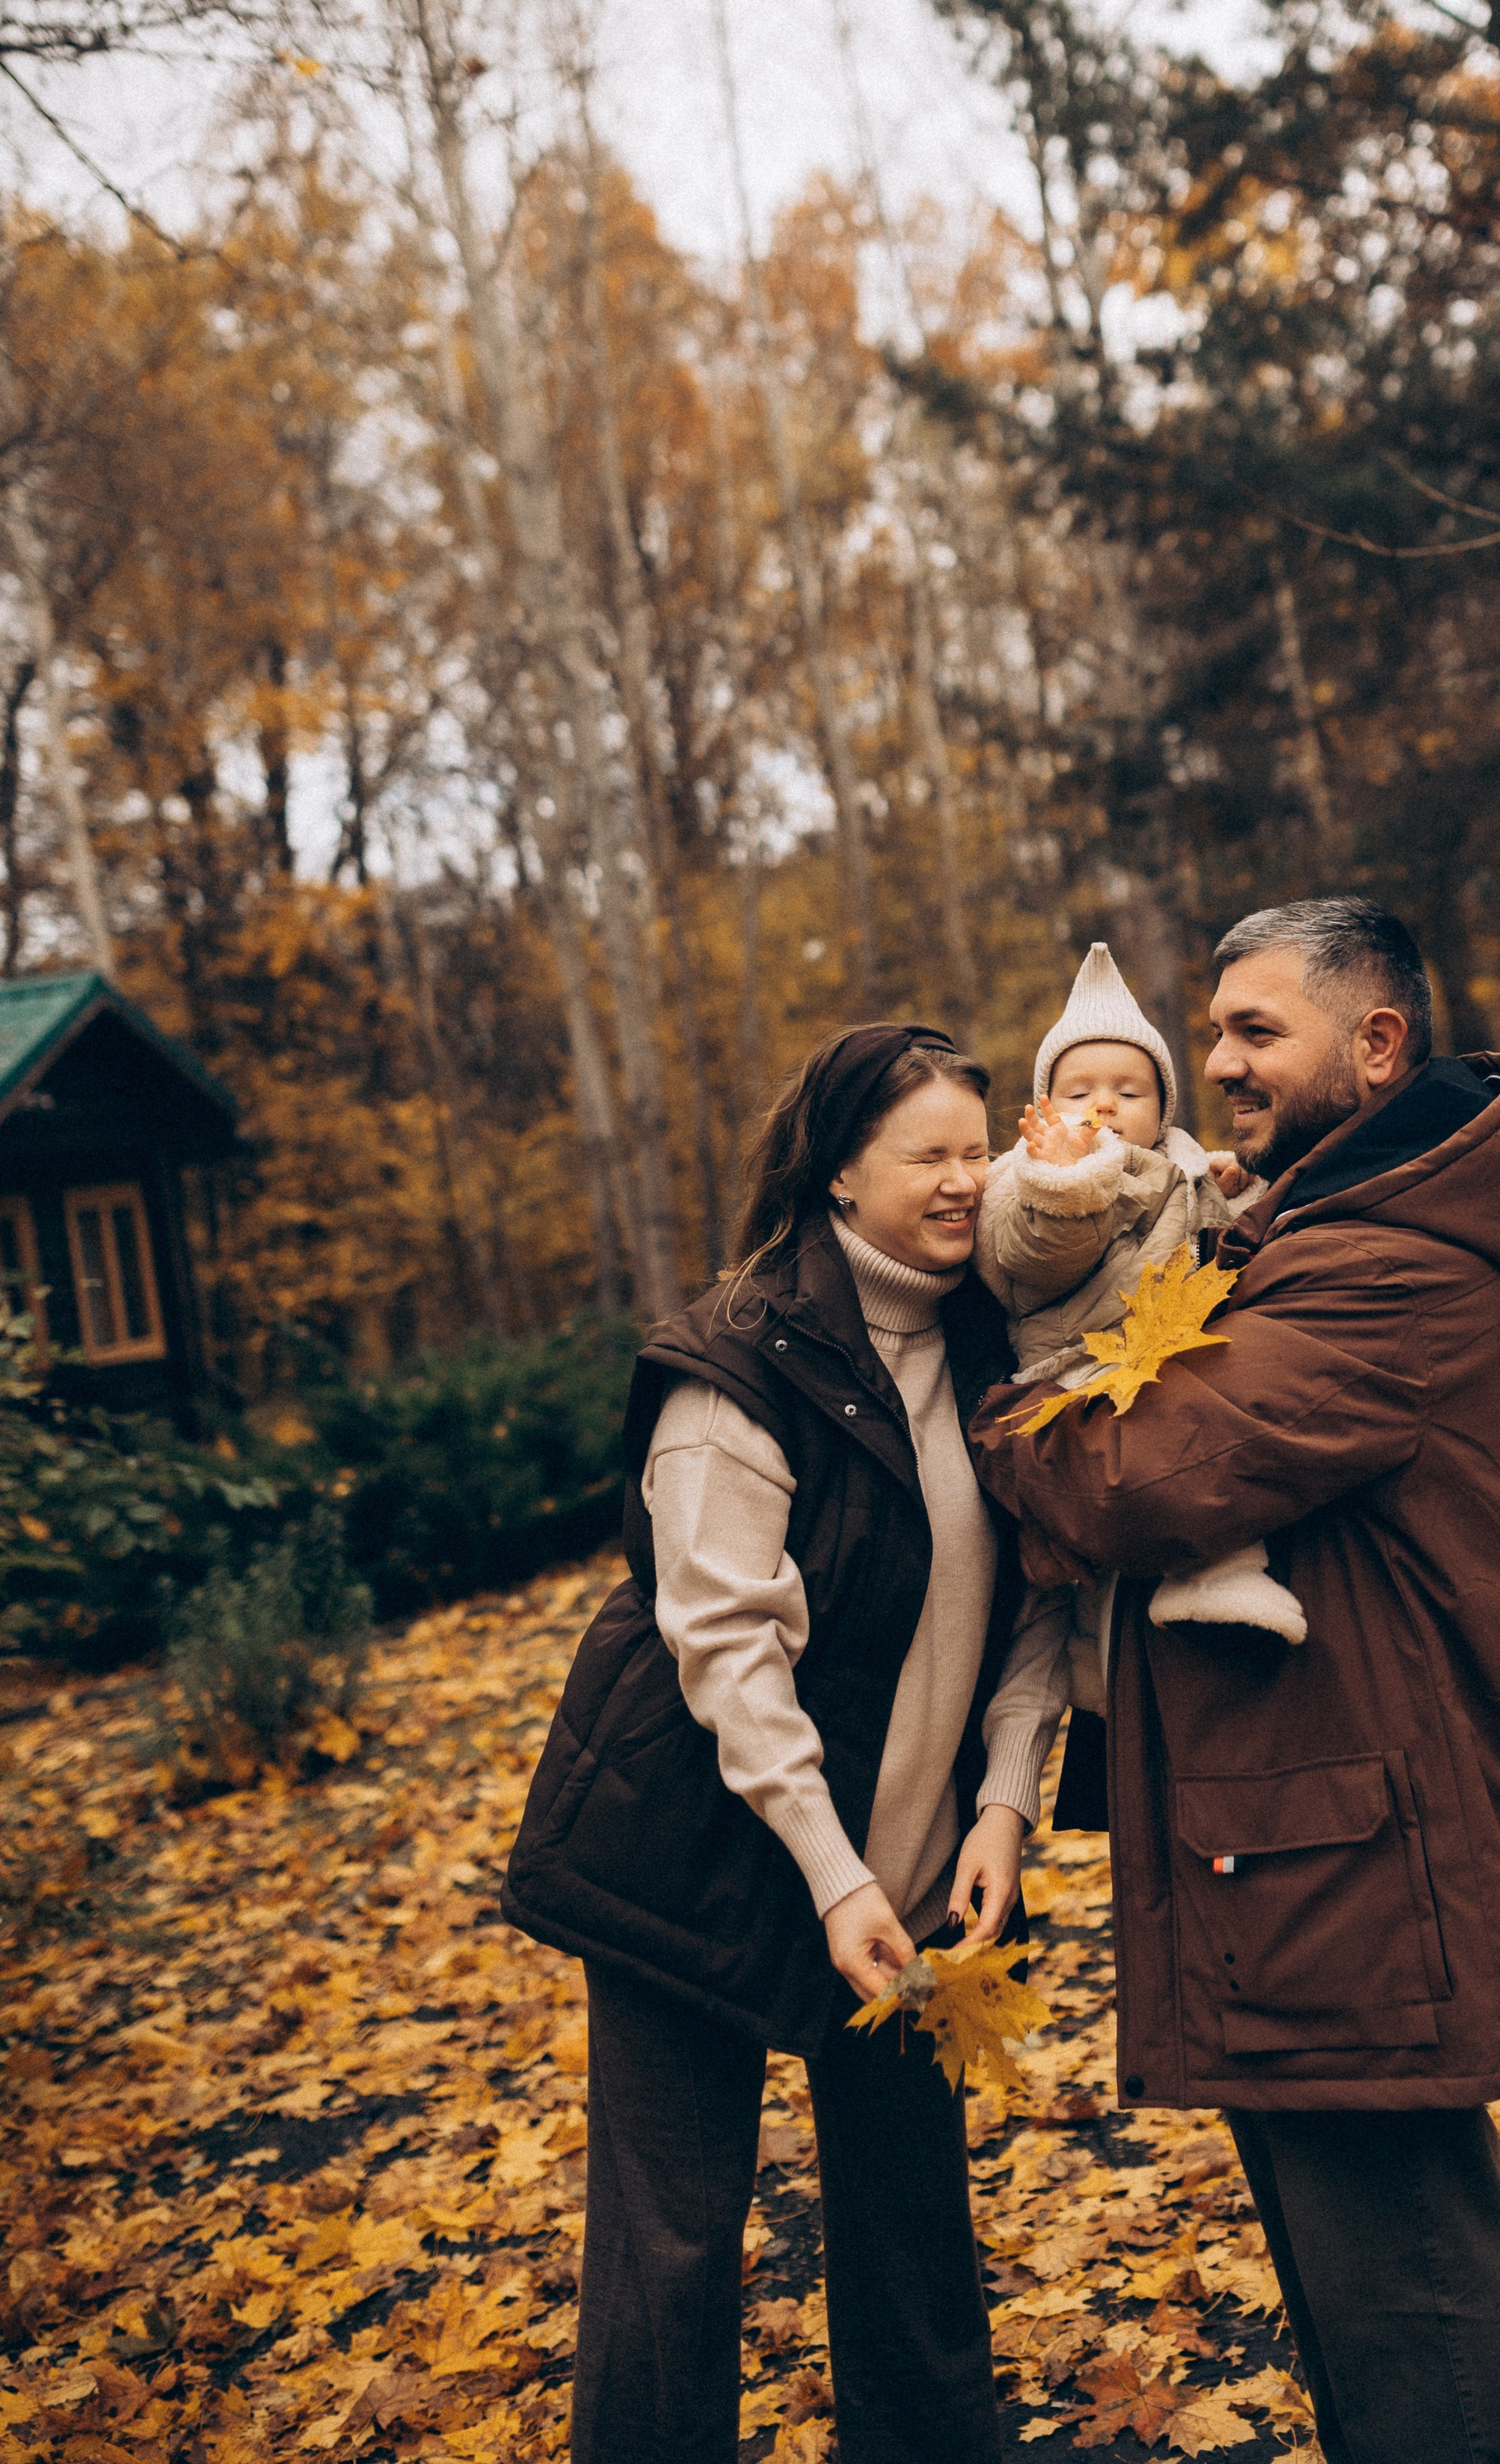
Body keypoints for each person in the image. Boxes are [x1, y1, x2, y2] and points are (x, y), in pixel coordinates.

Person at [971, 898, 1500, 2464]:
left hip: (1362, 1846)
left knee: (1406, 2289)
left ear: (1373, 1045)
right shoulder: (1306, 1229)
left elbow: (1134, 1477)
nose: (1217, 1061)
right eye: (1215, 1027)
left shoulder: (1386, 1265)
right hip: (1319, 1834)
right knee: (1351, 2284)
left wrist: (1011, 1420)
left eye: (1258, 1030)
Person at [502, 1024, 1070, 2464]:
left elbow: (1039, 1591)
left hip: (917, 1866)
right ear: (833, 1176)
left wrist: (1003, 1801)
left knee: (914, 2228)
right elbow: (727, 1650)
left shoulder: (1000, 1337)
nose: (966, 1180)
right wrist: (830, 1871)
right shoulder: (734, 1367)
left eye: (977, 1146)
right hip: (698, 1856)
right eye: (927, 1155)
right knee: (677, 2245)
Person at [973, 939, 1308, 1665]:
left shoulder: (1182, 1166)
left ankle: (1210, 1577)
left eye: (1129, 1092)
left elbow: (1222, 1241)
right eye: (1078, 1091)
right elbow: (1035, 1251)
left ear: (1163, 1110)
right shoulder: (1025, 1179)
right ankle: (1095, 1657)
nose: (1102, 1105)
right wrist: (1066, 1184)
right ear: (1041, 1110)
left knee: (1204, 1438)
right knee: (1081, 1556)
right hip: (1070, 1372)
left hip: (1158, 1358)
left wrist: (1236, 1184)